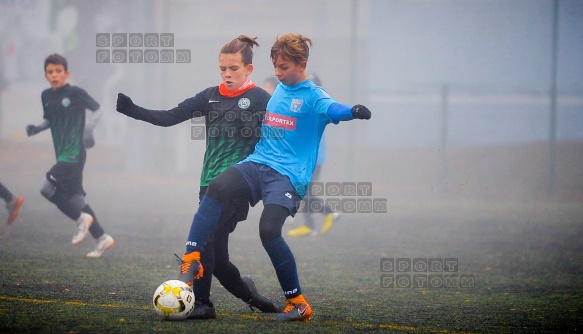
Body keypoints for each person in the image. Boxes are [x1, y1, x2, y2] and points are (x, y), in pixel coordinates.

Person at [172, 33, 371, 322]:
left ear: (301, 64)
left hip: (287, 177)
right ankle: (191, 261)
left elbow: (333, 109)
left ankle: (298, 303)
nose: (278, 73)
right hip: (258, 163)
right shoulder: (277, 89)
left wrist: (352, 111)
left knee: (268, 231)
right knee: (217, 187)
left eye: (284, 67)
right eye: (276, 66)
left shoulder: (314, 96)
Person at [116, 35, 278, 319]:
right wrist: (132, 110)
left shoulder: (261, 99)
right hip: (208, 186)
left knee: (203, 244)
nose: (227, 74)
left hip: (238, 185)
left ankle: (203, 304)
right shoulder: (209, 96)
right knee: (219, 258)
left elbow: (282, 136)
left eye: (234, 69)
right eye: (223, 69)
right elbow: (169, 117)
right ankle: (252, 295)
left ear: (248, 69)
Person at [26, 53, 114, 258]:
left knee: (46, 188)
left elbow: (98, 109)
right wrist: (37, 129)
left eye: (58, 71)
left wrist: (89, 130)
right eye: (50, 72)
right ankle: (101, 237)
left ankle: (80, 219)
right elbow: (49, 120)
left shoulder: (75, 93)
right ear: (46, 75)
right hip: (62, 153)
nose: (55, 75)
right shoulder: (46, 96)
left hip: (74, 152)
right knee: (76, 199)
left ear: (66, 73)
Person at [285, 73, 340, 237]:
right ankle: (309, 225)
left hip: (313, 158)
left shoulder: (315, 104)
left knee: (304, 191)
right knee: (303, 190)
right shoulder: (309, 103)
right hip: (308, 157)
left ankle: (329, 212)